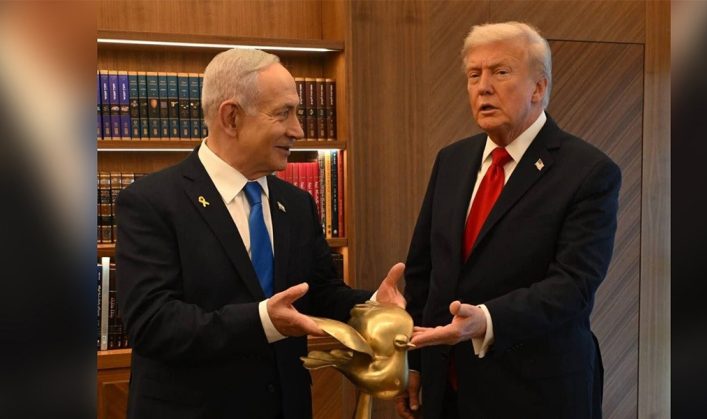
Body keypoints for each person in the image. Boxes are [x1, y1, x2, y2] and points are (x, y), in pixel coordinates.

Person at [116, 48, 405, 419]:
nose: (298, 130)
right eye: (283, 113)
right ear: (231, 117)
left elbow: (318, 292)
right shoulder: (151, 202)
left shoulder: (296, 204)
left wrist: (371, 306)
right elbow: (153, 323)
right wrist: (263, 321)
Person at [397, 22, 621, 419]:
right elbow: (423, 270)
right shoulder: (452, 160)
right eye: (474, 75)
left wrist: (486, 320)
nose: (483, 87)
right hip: (445, 390)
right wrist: (412, 364)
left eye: (500, 72)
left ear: (538, 87)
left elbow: (573, 285)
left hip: (535, 393)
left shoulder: (588, 172)